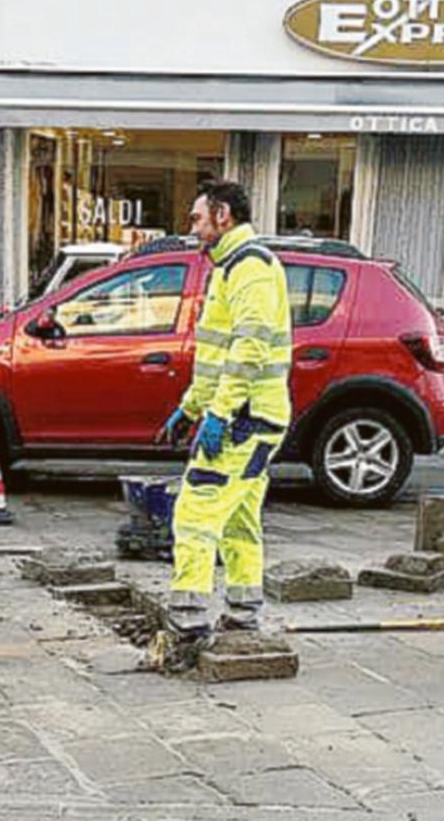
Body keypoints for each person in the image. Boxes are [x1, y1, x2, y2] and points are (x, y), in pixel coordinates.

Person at [154, 180, 293, 641]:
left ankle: (188, 618)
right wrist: (190, 407)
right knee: (239, 518)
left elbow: (249, 349)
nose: (192, 228)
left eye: (197, 218)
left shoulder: (249, 268)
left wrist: (220, 413)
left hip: (245, 418)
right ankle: (243, 611)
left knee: (196, 512)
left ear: (223, 216)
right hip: (254, 415)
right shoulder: (232, 268)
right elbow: (217, 356)